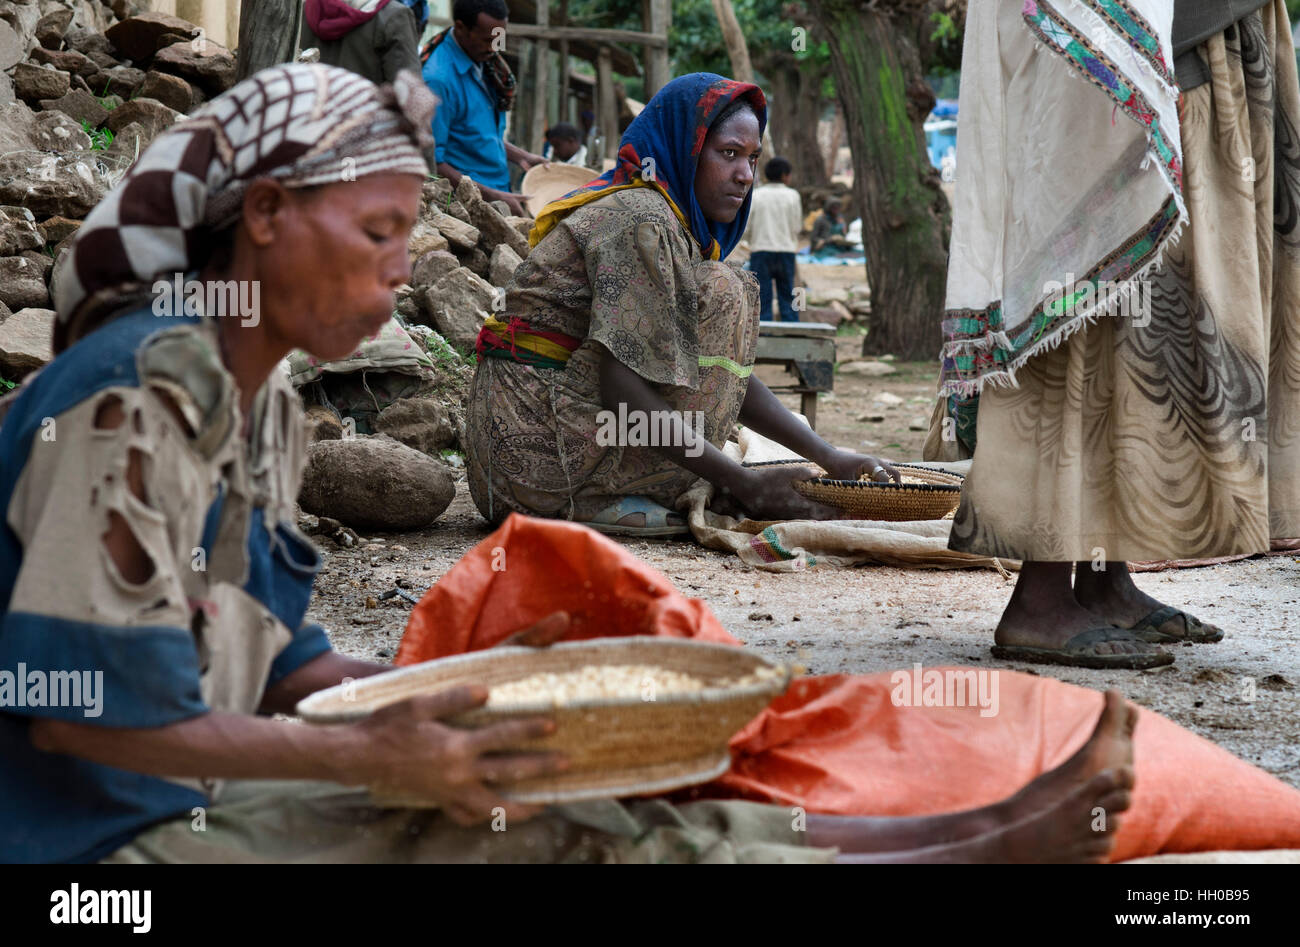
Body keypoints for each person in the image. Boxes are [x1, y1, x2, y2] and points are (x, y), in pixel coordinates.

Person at [0, 63, 1142, 866]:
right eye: (377, 233)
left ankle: (943, 841)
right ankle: (947, 854)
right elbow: (79, 718)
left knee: (548, 784)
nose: (404, 269)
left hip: (168, 793)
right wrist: (374, 751)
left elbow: (278, 657)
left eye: (410, 233)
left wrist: (457, 697)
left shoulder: (254, 404)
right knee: (523, 834)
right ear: (261, 214)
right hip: (93, 861)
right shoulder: (130, 402)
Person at [927, 0, 1300, 667]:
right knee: (1085, 285)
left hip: (1202, 35)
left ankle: (1104, 579)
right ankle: (1040, 599)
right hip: (1113, 63)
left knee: (1141, 316)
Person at [464, 74, 901, 536]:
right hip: (536, 467)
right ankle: (594, 496)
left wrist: (828, 456)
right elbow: (621, 390)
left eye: (752, 158)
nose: (744, 175)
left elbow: (718, 371)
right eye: (728, 154)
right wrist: (744, 483)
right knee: (721, 289)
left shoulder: (669, 222)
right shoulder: (641, 222)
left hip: (531, 453)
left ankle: (634, 484)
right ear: (686, 147)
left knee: (718, 287)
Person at [421, 0, 548, 215]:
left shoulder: (487, 65)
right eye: (488, 39)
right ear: (461, 28)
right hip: (465, 208)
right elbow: (433, 162)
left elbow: (476, 133)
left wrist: (520, 156)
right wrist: (493, 196)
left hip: (498, 192)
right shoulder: (437, 81)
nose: (494, 47)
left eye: (500, 38)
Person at [742, 156, 803, 322]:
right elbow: (796, 226)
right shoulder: (793, 195)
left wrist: (750, 240)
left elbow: (747, 226)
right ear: (785, 175)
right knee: (788, 293)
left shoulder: (757, 194)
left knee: (762, 295)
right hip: (786, 251)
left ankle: (763, 334)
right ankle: (792, 331)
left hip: (761, 251)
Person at [300, 0, 420, 84]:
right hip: (364, 117)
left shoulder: (302, 9)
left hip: (306, 116)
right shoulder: (394, 16)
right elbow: (410, 97)